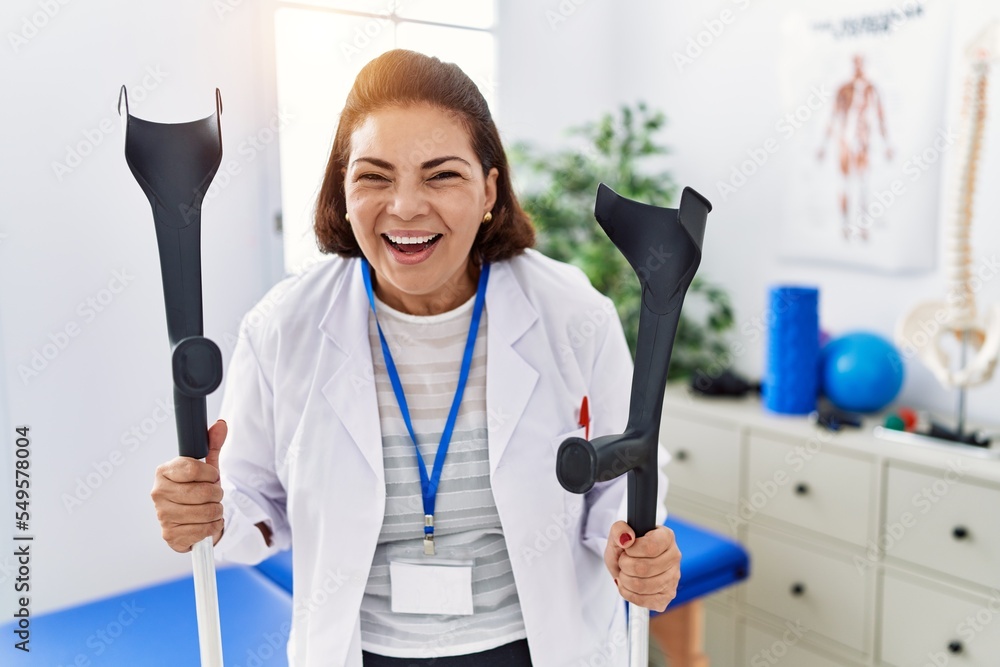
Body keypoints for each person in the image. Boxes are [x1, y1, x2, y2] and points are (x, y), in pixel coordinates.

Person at [150, 49, 680, 667]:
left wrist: (634, 548)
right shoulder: (283, 326)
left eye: (441, 175)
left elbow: (624, 479)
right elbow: (252, 502)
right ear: (343, 193)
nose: (404, 207)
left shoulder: (571, 312)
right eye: (374, 176)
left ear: (489, 190)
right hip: (361, 651)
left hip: (531, 649)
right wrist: (206, 515)